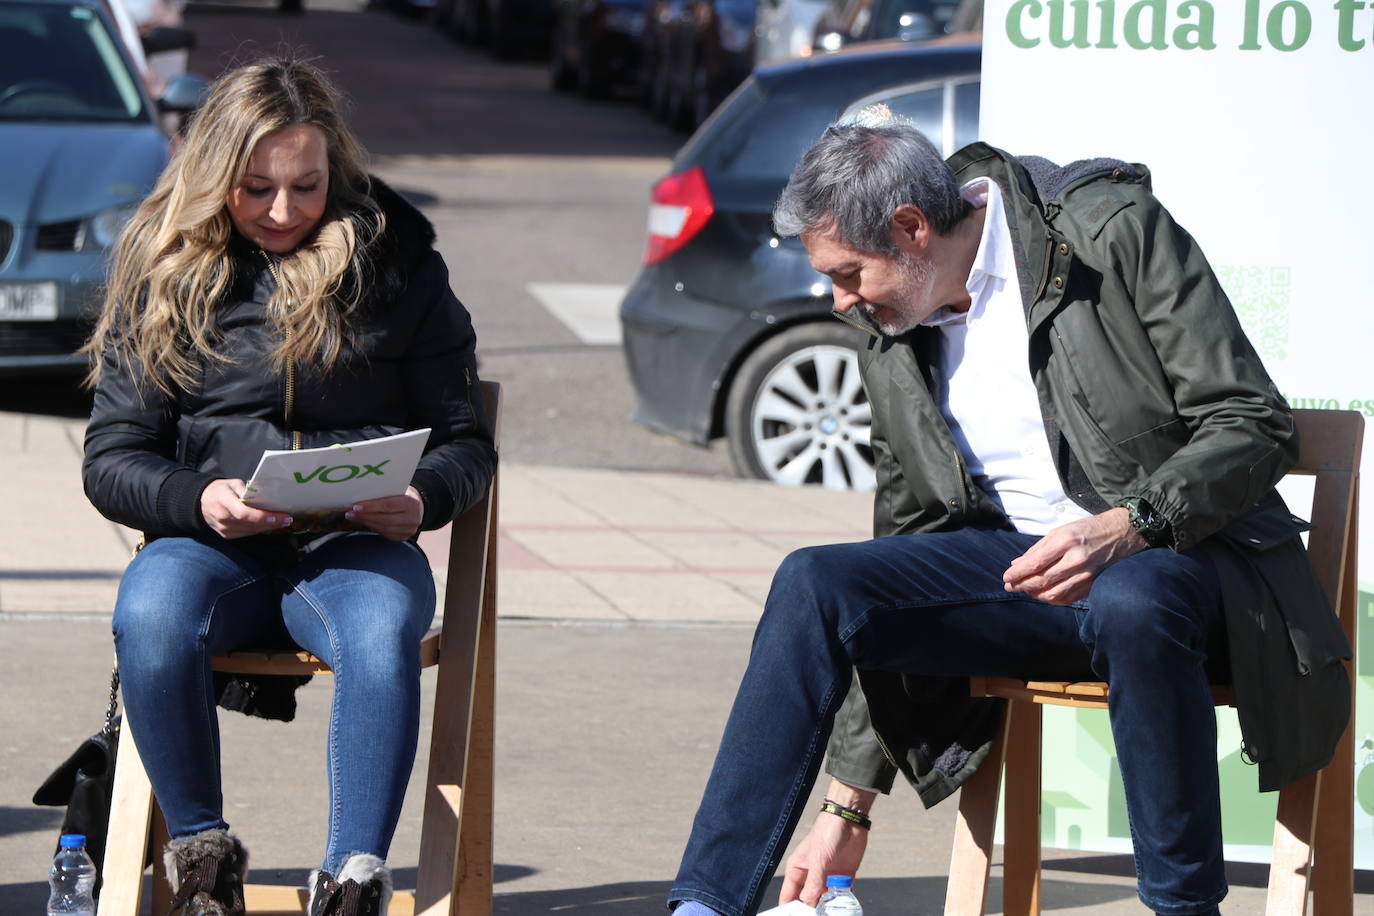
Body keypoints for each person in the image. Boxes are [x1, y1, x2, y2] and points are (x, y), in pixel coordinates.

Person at [667, 115, 1351, 916]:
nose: (838, 299)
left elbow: (1253, 419)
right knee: (815, 582)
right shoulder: (891, 326)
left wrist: (1128, 526)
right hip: (1021, 581)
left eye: (849, 273)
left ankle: (1184, 908)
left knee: (1135, 599)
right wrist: (847, 805)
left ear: (912, 229)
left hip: (1190, 572)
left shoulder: (1109, 231)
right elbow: (908, 530)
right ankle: (705, 904)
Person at [81, 54, 496, 916]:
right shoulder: (163, 269)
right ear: (212, 176)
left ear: (334, 169)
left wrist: (422, 499)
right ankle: (201, 862)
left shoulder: (399, 259)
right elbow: (114, 455)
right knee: (150, 614)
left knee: (381, 633)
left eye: (306, 187)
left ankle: (352, 881)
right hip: (212, 546)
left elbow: (465, 439)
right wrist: (196, 499)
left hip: (356, 546)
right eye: (255, 187)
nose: (282, 211)